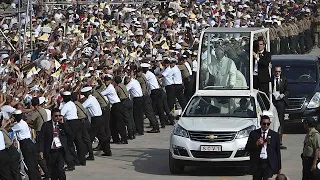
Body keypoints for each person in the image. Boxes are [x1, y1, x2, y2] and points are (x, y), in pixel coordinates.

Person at [245, 115, 282, 180]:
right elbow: (247, 148)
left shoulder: (274, 135)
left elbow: (277, 151)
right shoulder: (254, 134)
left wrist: (279, 167)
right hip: (257, 163)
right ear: (260, 124)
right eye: (264, 124)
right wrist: (256, 144)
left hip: (268, 163)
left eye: (268, 124)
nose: (266, 126)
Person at [9, 110, 41, 180]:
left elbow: (8, 129)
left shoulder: (18, 125)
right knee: (34, 162)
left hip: (25, 144)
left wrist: (8, 121)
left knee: (29, 164)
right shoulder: (23, 123)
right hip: (30, 143)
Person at [81, 86, 112, 156]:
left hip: (96, 119)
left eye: (84, 94)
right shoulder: (93, 98)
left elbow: (82, 107)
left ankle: (85, 153)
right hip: (100, 118)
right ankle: (107, 151)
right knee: (102, 136)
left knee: (90, 136)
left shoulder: (89, 100)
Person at [38, 108, 68, 180]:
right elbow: (41, 139)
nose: (58, 117)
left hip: (60, 151)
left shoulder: (62, 125)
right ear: (52, 116)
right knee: (52, 171)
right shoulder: (46, 125)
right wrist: (41, 151)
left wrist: (63, 124)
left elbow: (70, 133)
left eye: (59, 115)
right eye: (56, 116)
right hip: (51, 151)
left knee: (60, 169)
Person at [102, 75, 128, 144]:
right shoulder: (107, 87)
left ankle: (124, 138)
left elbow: (101, 94)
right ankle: (116, 138)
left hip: (117, 105)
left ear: (110, 81)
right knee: (112, 123)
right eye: (105, 80)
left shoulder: (110, 88)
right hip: (113, 106)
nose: (106, 81)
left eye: (108, 80)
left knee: (120, 123)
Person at [271, 67, 289, 150]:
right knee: (272, 119)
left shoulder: (284, 79)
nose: (277, 73)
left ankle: (280, 140)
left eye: (279, 71)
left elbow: (288, 90)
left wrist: (283, 95)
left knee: (281, 120)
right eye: (276, 71)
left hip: (281, 101)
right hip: (272, 101)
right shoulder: (271, 79)